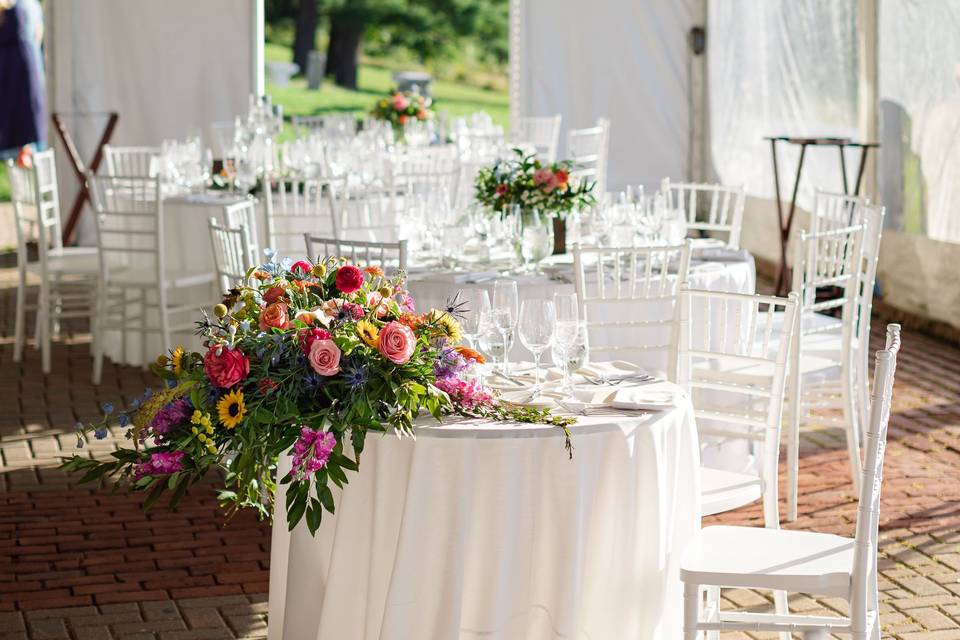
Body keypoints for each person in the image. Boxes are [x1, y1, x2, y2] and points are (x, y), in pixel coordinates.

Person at [0, 0, 46, 161]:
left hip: (17, 68)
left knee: (23, 121)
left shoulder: (23, 5)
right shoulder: (31, 5)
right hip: (23, 62)